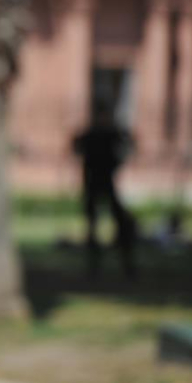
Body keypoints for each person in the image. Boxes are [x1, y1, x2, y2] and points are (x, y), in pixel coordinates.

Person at [73, 101, 137, 278]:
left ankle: (126, 264)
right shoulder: (91, 134)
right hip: (92, 185)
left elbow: (129, 145)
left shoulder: (112, 134)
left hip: (107, 185)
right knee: (93, 226)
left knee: (121, 222)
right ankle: (94, 266)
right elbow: (76, 148)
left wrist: (117, 163)